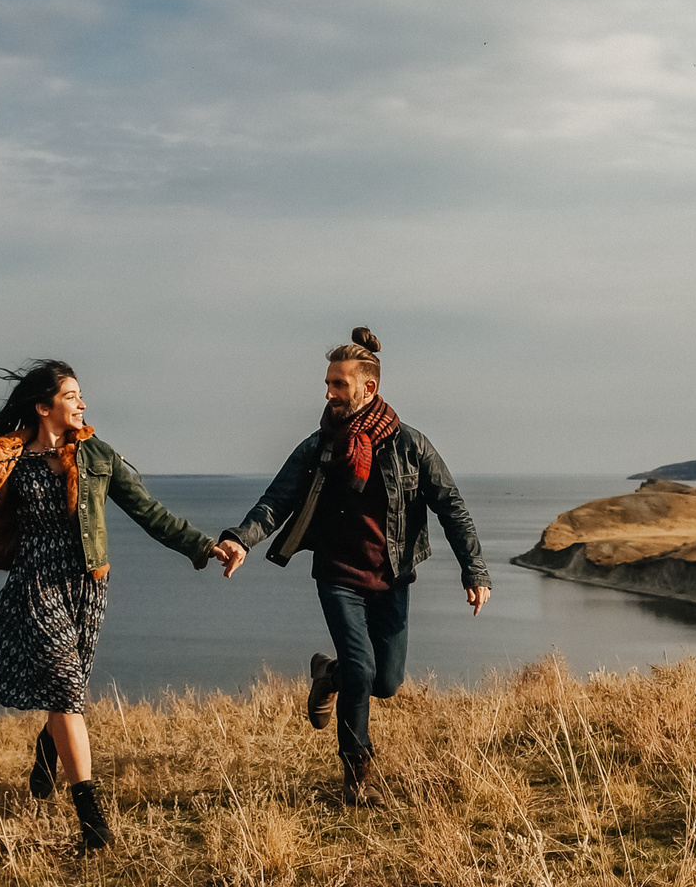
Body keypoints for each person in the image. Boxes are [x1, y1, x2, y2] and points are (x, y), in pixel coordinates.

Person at [0, 360, 222, 854]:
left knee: (67, 694)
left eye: (80, 395)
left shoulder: (97, 456)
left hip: (86, 589)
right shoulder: (7, 461)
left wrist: (202, 546)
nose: (82, 403)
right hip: (35, 587)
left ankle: (49, 751)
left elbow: (149, 512)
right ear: (45, 407)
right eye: (72, 395)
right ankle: (93, 822)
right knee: (67, 692)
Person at [210, 328, 490, 805]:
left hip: (392, 577)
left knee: (386, 682)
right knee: (363, 671)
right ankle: (356, 782)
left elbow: (452, 506)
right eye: (328, 383)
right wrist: (241, 539)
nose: (328, 393)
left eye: (339, 384)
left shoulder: (411, 445)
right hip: (339, 577)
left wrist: (474, 571)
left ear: (368, 388)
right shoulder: (319, 447)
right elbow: (276, 501)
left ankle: (327, 673)